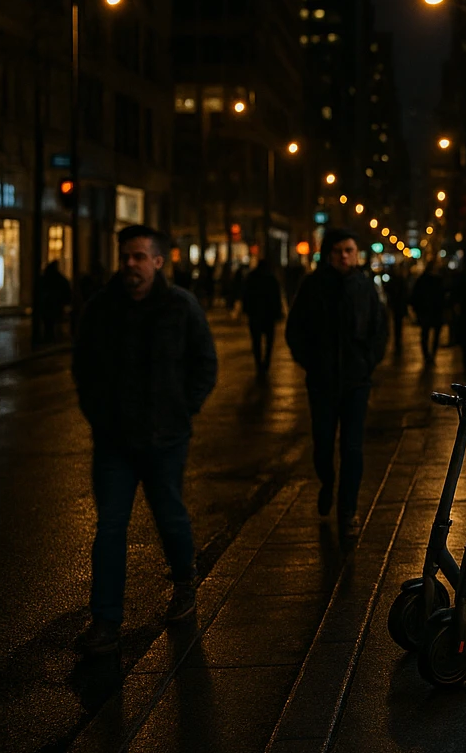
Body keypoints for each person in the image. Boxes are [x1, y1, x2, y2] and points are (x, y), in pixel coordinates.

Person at [72, 225, 218, 655]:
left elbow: (204, 362)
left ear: (158, 261)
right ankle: (105, 622)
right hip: (114, 439)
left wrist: (183, 408)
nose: (130, 265)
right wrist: (99, 415)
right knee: (111, 528)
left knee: (169, 514)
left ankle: (183, 583)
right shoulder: (102, 308)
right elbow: (84, 366)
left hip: (165, 437)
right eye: (126, 257)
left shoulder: (180, 307)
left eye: (139, 257)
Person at [285, 228, 388, 534]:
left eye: (349, 250)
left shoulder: (365, 287)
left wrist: (368, 361)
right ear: (329, 255)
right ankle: (327, 482)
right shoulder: (313, 286)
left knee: (353, 448)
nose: (344, 256)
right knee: (324, 444)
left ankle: (348, 510)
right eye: (339, 251)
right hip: (322, 381)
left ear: (356, 254)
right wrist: (311, 363)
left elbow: (380, 329)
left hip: (356, 381)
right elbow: (295, 330)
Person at [241, 259, 284, 375]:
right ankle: (266, 363)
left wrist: (246, 309)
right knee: (269, 342)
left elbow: (246, 295)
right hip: (268, 315)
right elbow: (276, 297)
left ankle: (259, 363)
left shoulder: (252, 278)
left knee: (256, 341)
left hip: (255, 314)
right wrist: (278, 312)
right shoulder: (271, 278)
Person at [410, 260, 448, 361]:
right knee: (433, 333)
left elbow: (415, 295)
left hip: (427, 310)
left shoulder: (422, 280)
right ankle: (431, 354)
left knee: (425, 333)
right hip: (433, 311)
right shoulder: (438, 280)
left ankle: (427, 355)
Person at [35, 260, 72, 343]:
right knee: (52, 322)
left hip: (49, 304)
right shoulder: (58, 278)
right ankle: (52, 337)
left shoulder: (47, 277)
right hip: (54, 304)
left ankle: (50, 337)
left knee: (49, 323)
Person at [386, 261, 411, 353]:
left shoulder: (396, 280)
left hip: (397, 305)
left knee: (397, 323)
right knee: (398, 323)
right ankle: (398, 340)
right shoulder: (399, 280)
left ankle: (398, 340)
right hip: (398, 305)